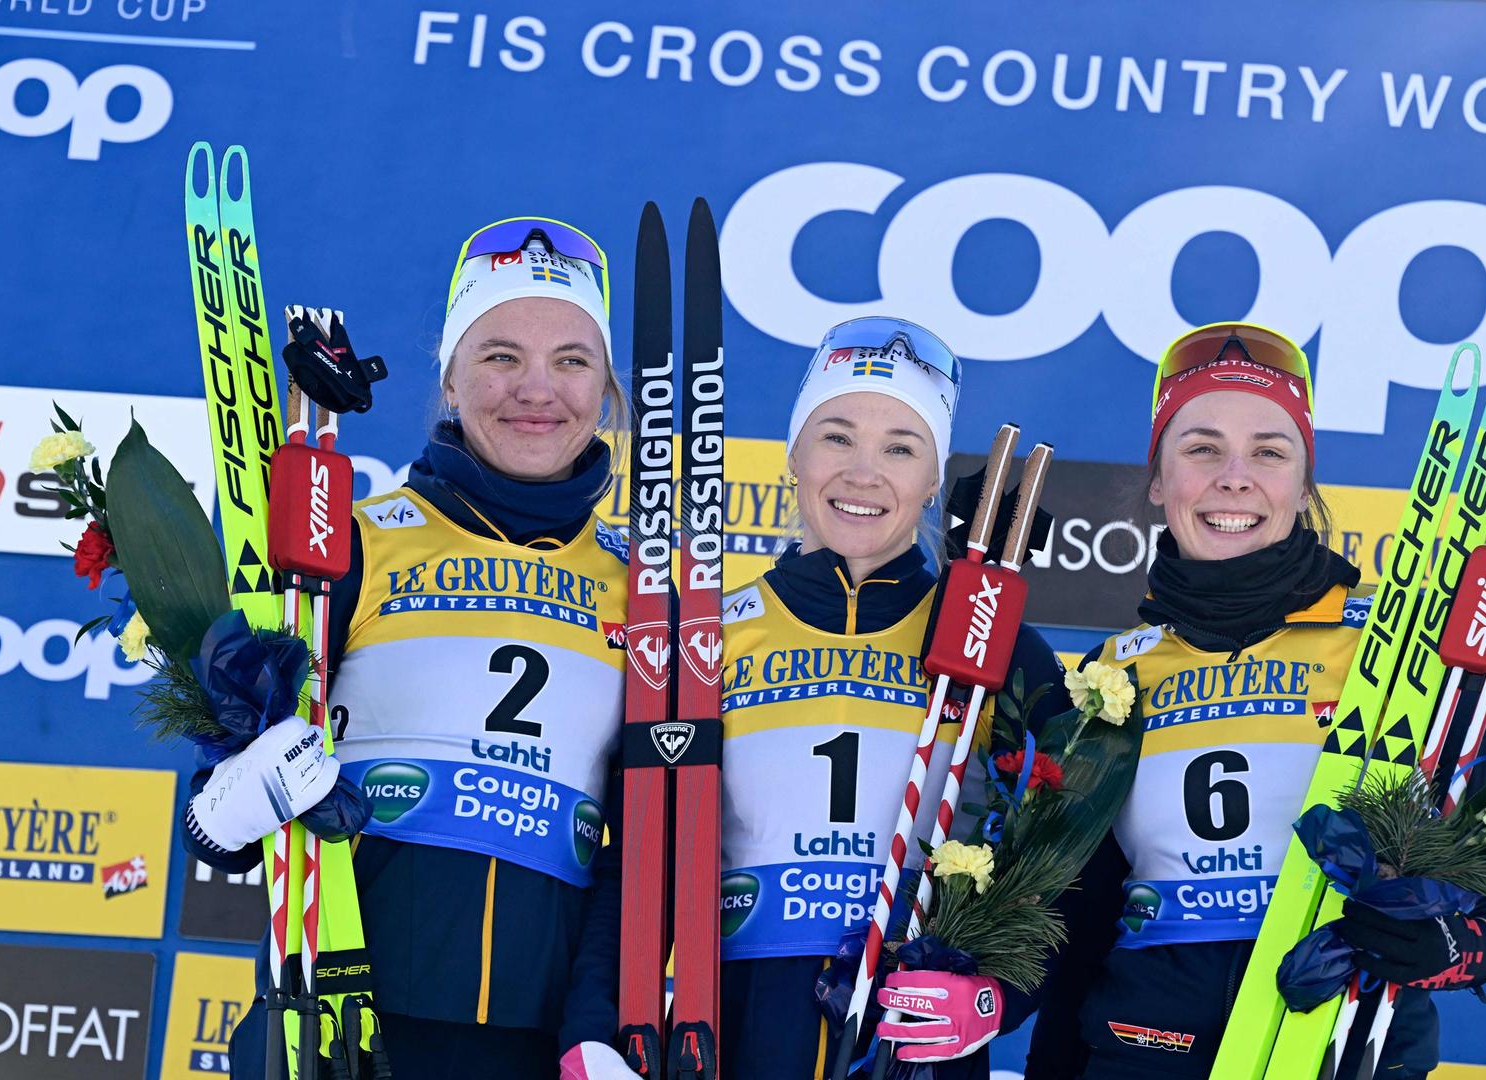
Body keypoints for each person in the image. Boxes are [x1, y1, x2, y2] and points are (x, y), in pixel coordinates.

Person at [1024, 323, 1486, 1079]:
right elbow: (1064, 917)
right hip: (1143, 1046)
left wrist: (1458, 946)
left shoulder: (1395, 647)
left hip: (1340, 1038)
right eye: (1201, 447)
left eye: (1270, 452)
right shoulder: (1111, 675)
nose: (1234, 477)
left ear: (1305, 482)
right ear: (1158, 479)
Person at [182, 216, 632, 1078]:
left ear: (606, 390)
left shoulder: (649, 593)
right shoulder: (351, 544)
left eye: (571, 361)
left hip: (539, 1049)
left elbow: (646, 843)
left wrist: (599, 1028)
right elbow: (223, 801)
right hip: (339, 1025)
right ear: (451, 382)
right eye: (500, 355)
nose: (537, 389)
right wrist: (229, 806)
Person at [717, 317, 1069, 1078]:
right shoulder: (711, 635)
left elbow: (1078, 861)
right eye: (836, 436)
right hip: (750, 1028)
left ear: (934, 478)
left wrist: (996, 997)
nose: (863, 474)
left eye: (901, 448)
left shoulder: (994, 643)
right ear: (793, 454)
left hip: (914, 1042)